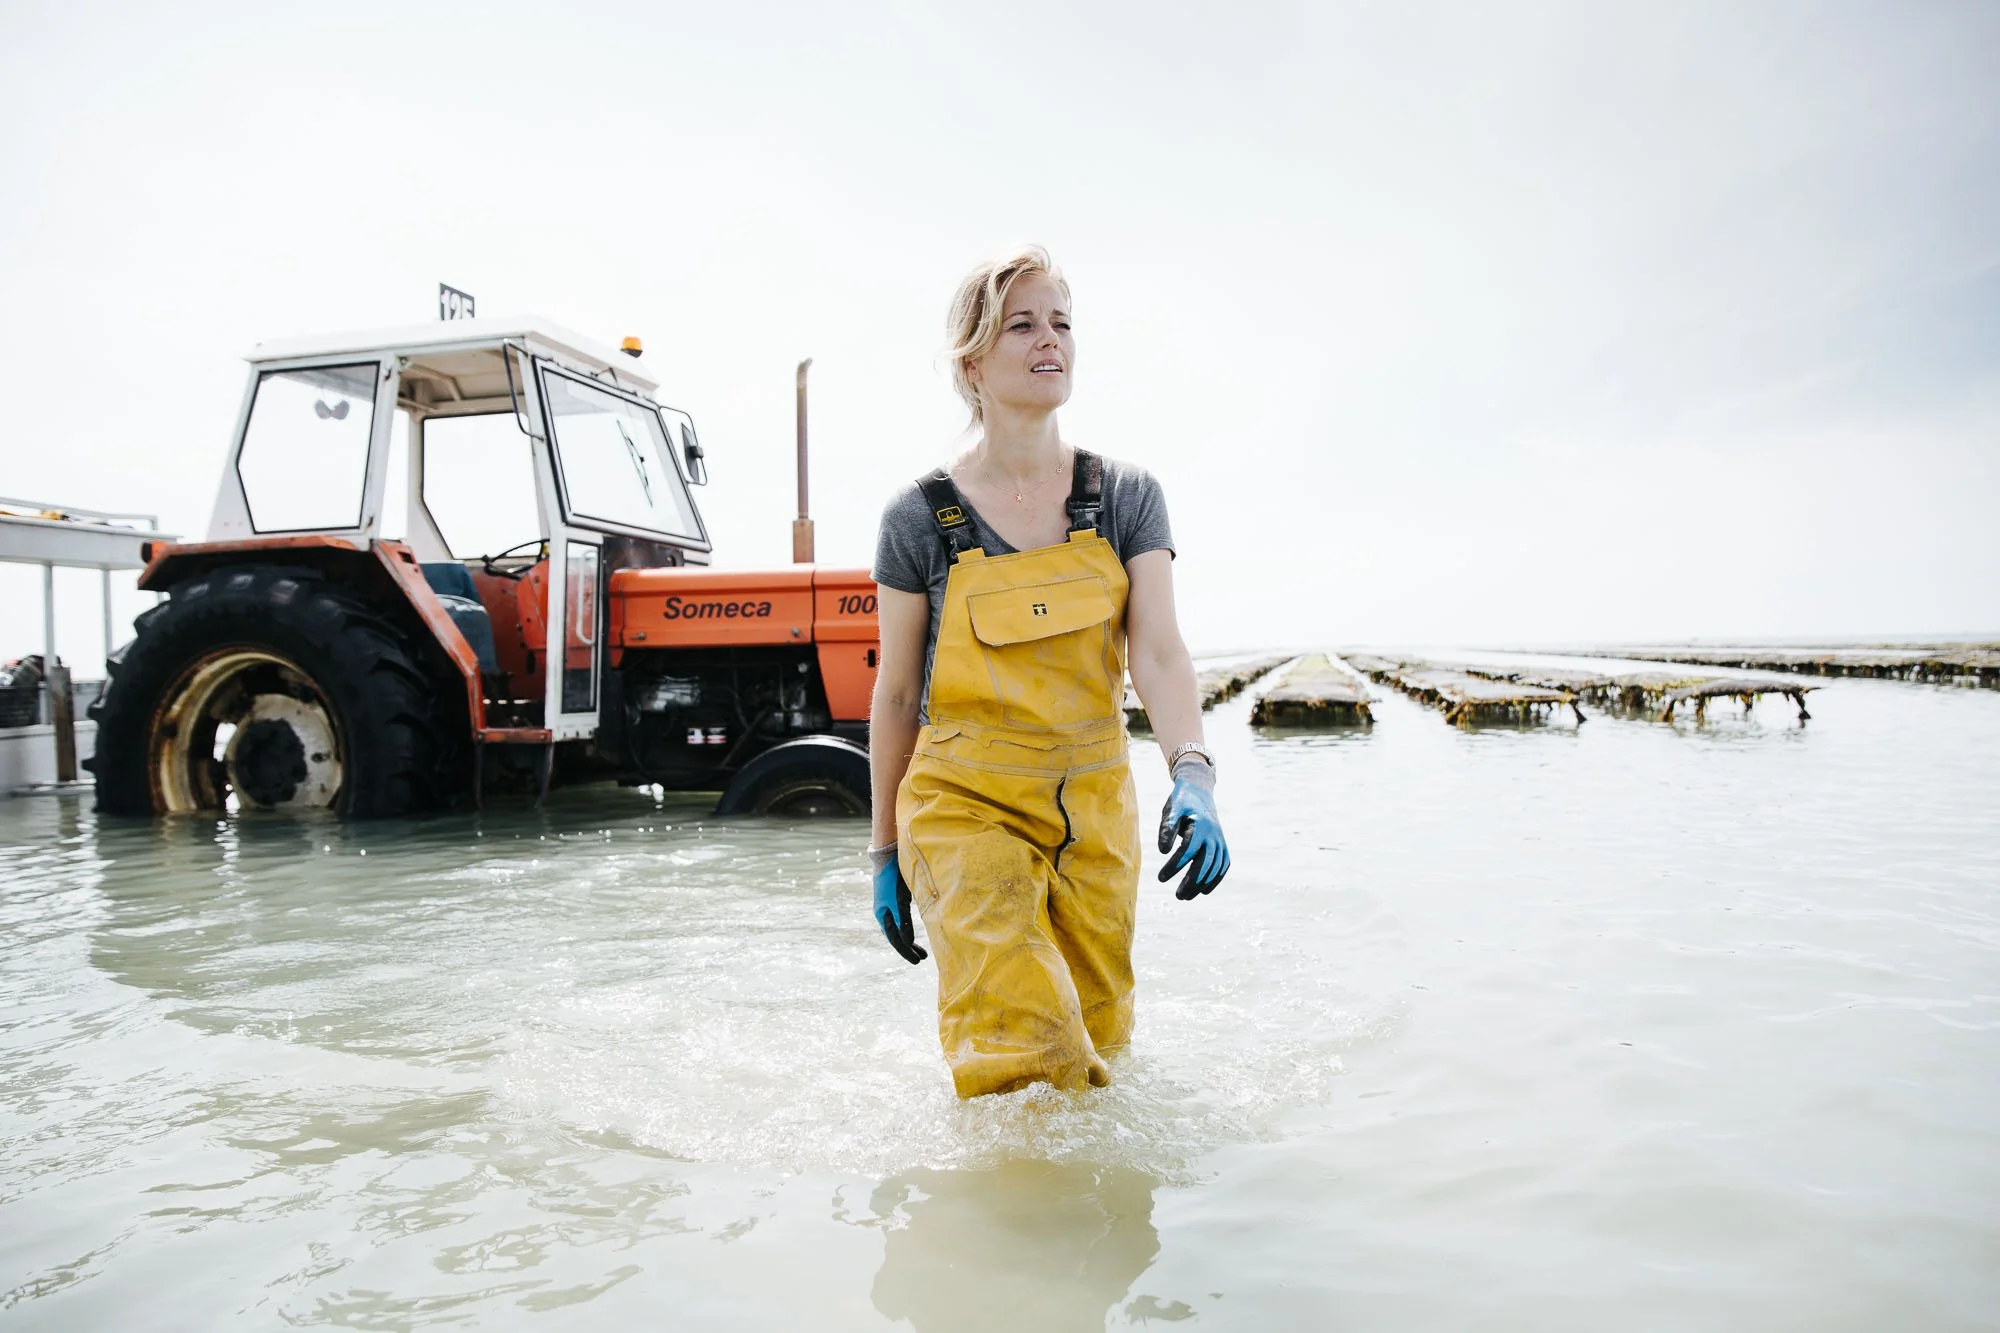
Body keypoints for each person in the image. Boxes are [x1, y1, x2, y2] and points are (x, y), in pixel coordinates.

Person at [867, 244, 1230, 1098]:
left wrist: (1195, 772)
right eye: (1022, 325)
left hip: (1093, 804)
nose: (1049, 341)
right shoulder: (919, 518)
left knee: (1102, 1036)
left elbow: (1161, 651)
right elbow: (893, 694)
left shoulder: (1126, 496)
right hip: (964, 802)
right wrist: (883, 847)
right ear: (972, 362)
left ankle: (1093, 1222)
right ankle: (1003, 1222)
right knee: (1026, 1040)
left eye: (1061, 323)